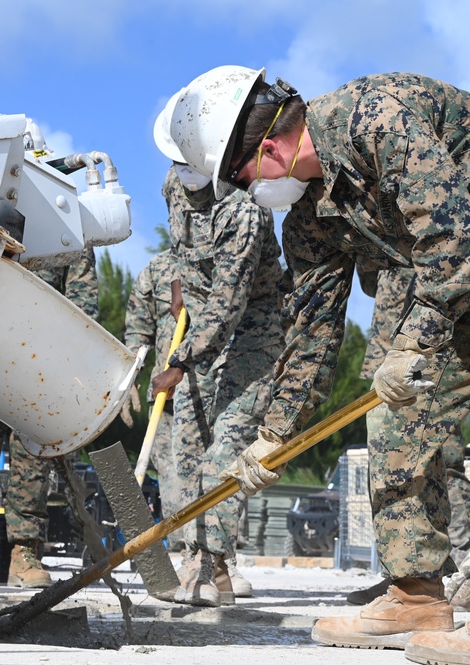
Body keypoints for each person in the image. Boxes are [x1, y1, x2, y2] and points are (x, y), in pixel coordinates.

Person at [168, 66, 470, 663]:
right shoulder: (309, 221)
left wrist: (413, 344)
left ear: (268, 148)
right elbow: (312, 335)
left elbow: (450, 238)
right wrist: (275, 433)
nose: (249, 194)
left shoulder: (373, 115)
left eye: (242, 179)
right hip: (464, 263)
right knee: (402, 413)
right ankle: (416, 592)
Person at [149, 97, 284, 607]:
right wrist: (184, 280)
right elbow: (184, 246)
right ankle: (197, 559)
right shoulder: (171, 184)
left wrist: (181, 360)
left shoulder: (245, 209)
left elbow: (230, 302)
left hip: (252, 331)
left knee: (225, 444)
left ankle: (213, 562)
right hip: (198, 330)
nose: (182, 176)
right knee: (186, 445)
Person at [0, 248, 98, 588]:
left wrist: (70, 368)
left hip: (38, 365)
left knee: (32, 464)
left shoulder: (66, 233)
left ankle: (23, 553)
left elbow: (83, 305)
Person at [345, 267, 470, 613]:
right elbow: (367, 277)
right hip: (393, 336)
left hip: (436, 336)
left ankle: (461, 571)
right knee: (392, 449)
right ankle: (407, 573)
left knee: (441, 452)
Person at [122, 250, 184, 541]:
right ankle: (183, 547)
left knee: (215, 470)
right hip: (165, 392)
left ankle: (221, 557)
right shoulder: (157, 268)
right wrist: (130, 376)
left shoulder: (226, 256)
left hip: (213, 391)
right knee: (169, 471)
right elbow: (138, 328)